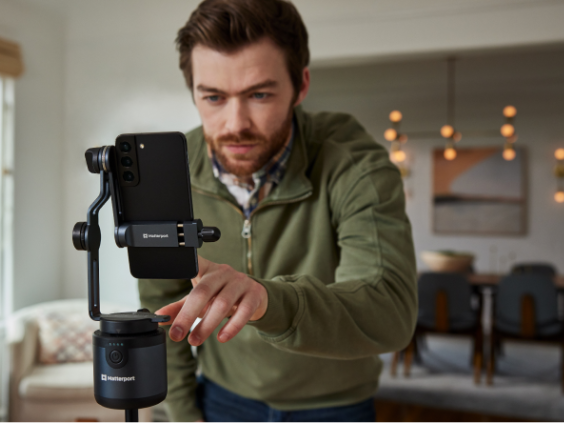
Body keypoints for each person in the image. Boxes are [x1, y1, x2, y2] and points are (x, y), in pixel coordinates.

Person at [138, 1, 417, 422]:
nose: (235, 124)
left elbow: (389, 312)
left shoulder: (356, 166)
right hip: (220, 398)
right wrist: (180, 415)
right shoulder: (168, 174)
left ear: (300, 85)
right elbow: (161, 313)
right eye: (213, 97)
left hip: (332, 406)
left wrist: (267, 300)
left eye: (260, 94)